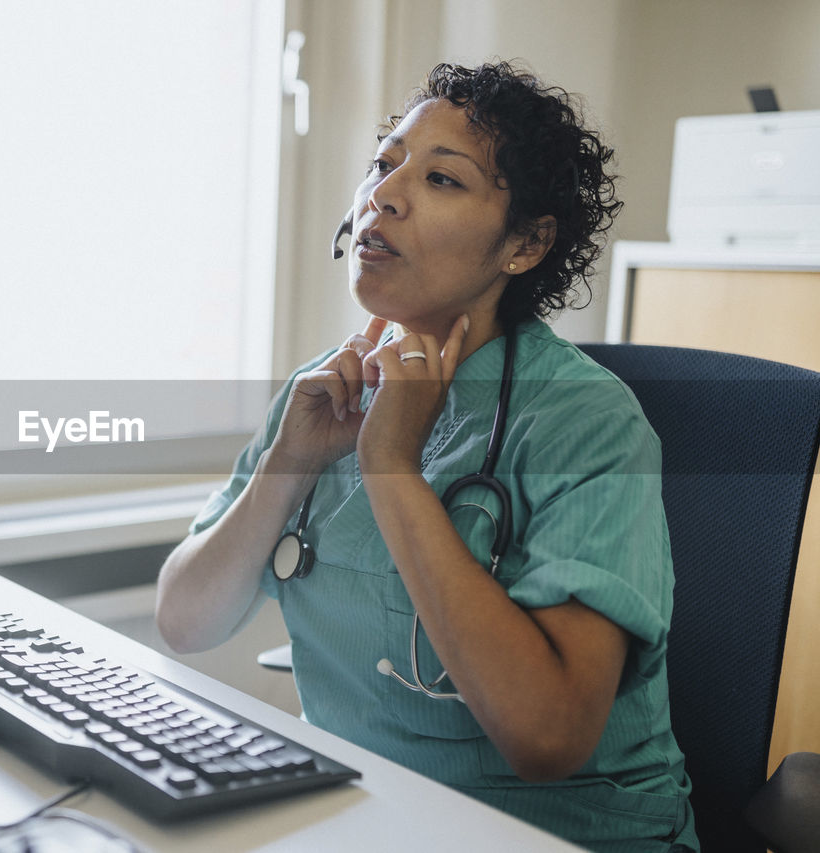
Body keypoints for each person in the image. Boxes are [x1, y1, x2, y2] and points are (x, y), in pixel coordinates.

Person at [155, 62, 698, 852]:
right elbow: (184, 619)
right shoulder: (326, 395)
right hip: (365, 823)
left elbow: (547, 737)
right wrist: (290, 459)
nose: (384, 194)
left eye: (442, 178)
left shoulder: (585, 421)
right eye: (383, 163)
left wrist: (393, 469)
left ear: (526, 243)